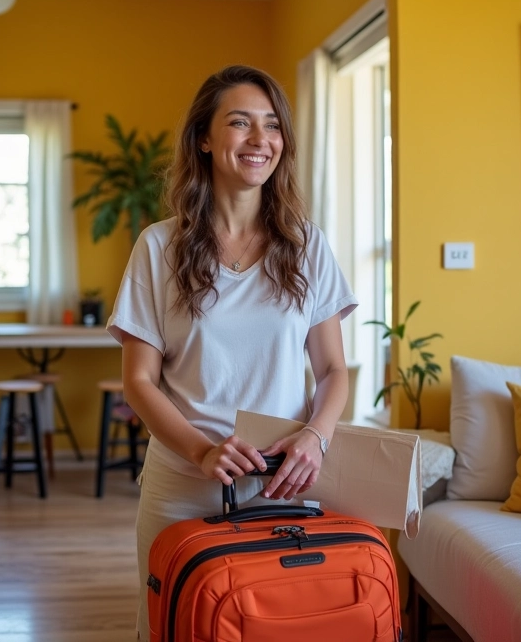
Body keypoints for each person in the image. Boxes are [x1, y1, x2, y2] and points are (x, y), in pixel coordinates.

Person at [106, 64, 358, 641]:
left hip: (283, 485)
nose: (258, 140)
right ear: (205, 137)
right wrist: (201, 452)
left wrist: (315, 437)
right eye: (239, 123)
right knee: (176, 628)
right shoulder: (158, 246)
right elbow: (140, 381)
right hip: (183, 483)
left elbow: (332, 369)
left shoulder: (307, 245)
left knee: (277, 629)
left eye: (271, 126)